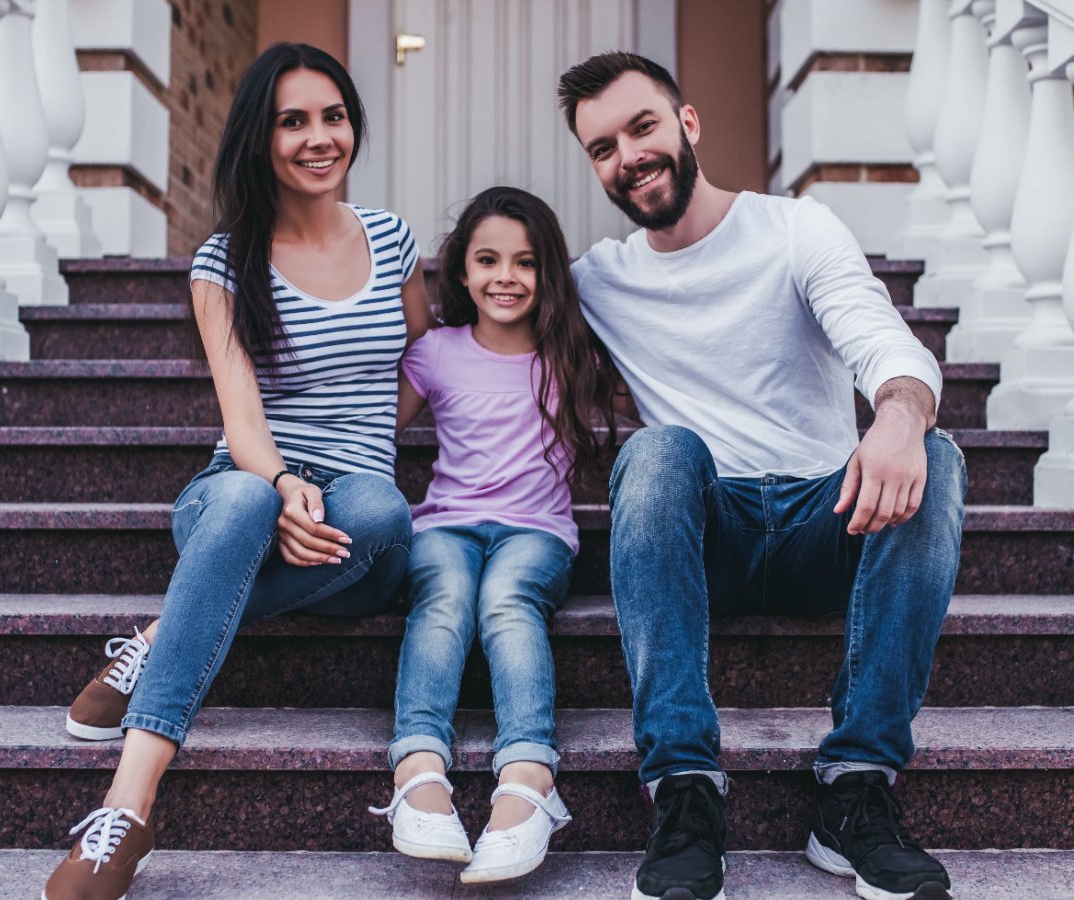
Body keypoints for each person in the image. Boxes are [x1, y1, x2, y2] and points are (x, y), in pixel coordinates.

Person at [557, 52, 966, 900]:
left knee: (938, 451)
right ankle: (683, 789)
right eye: (602, 148)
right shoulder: (600, 279)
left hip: (833, 520)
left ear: (688, 123)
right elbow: (467, 309)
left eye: (642, 127)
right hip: (712, 536)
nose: (628, 156)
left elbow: (883, 340)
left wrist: (896, 416)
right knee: (658, 450)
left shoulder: (796, 228)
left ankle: (854, 790)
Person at [43, 43, 431, 900]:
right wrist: (286, 481)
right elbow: (241, 416)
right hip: (245, 483)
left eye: (333, 116)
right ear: (261, 138)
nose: (318, 137)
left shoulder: (393, 239)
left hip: (354, 504)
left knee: (383, 517)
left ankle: (151, 644)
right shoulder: (223, 261)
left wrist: (370, 444)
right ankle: (128, 809)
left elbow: (420, 357)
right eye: (293, 121)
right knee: (247, 502)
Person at [369, 186, 617, 884]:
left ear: (549, 275)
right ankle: (418, 768)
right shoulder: (436, 353)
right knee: (444, 593)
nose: (505, 276)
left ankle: (530, 776)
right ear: (462, 271)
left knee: (506, 599)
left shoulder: (574, 357)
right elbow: (371, 434)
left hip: (536, 534)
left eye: (525, 262)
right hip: (445, 524)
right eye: (487, 260)